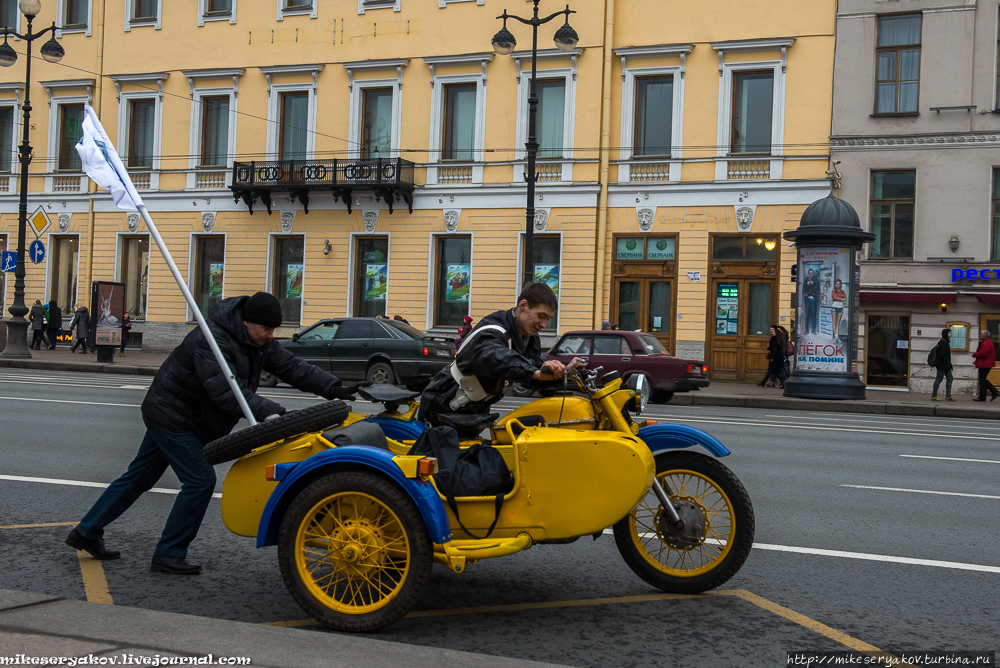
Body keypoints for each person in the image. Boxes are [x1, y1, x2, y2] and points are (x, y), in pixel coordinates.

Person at [65, 292, 367, 575]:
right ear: (246, 321)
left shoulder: (256, 341)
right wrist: (270, 410)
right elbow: (225, 391)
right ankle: (169, 553)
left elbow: (292, 366)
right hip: (172, 415)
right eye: (266, 328)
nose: (271, 335)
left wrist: (333, 387)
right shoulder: (211, 340)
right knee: (200, 480)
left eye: (275, 329)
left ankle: (87, 531)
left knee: (140, 476)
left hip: (191, 418)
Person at [418, 282, 583, 427]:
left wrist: (563, 372)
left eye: (548, 319)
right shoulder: (494, 329)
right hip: (444, 406)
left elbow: (536, 366)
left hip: (472, 409)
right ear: (523, 305)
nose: (544, 324)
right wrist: (533, 372)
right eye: (541, 316)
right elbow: (495, 356)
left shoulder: (527, 336)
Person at [971, 329, 998, 402]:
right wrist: (976, 361)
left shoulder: (986, 343)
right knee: (982, 380)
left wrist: (974, 354)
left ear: (985, 335)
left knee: (982, 380)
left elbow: (983, 353)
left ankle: (990, 393)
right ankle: (989, 393)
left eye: (981, 334)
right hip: (985, 363)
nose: (979, 335)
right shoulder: (985, 342)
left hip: (985, 364)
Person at [930, 328, 955, 402]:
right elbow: (942, 355)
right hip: (942, 365)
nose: (951, 334)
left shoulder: (945, 342)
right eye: (950, 333)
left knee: (950, 378)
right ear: (946, 334)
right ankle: (934, 395)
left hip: (946, 365)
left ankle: (948, 395)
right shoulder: (943, 342)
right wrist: (946, 363)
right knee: (939, 379)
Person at [803, 269, 820, 334]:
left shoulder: (815, 279)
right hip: (807, 299)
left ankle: (813, 330)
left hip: (813, 299)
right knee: (807, 314)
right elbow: (804, 290)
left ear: (813, 274)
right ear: (808, 274)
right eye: (809, 273)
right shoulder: (806, 280)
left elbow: (818, 289)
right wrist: (807, 285)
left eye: (812, 273)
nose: (810, 274)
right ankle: (806, 330)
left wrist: (813, 284)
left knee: (813, 314)